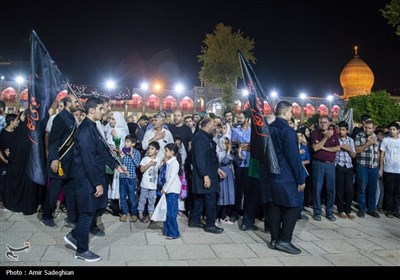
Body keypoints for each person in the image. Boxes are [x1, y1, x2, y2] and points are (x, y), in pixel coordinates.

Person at [64, 97, 126, 262]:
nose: (104, 111)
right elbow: (87, 160)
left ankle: (73, 236)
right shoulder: (85, 130)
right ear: (92, 110)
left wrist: (116, 165)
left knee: (94, 210)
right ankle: (81, 250)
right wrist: (96, 183)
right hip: (86, 178)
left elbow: (102, 150)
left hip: (94, 175)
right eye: (101, 108)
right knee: (87, 213)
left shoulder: (94, 127)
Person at [267, 101, 307, 254]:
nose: (292, 114)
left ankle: (274, 239)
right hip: (285, 173)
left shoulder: (269, 128)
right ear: (285, 112)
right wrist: (300, 178)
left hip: (270, 173)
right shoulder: (287, 130)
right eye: (291, 112)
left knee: (275, 205)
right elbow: (293, 157)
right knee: (294, 205)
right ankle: (284, 240)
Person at [41, 95, 80, 228]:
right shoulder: (60, 118)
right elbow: (54, 140)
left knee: (70, 191)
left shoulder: (72, 118)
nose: (77, 104)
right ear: (68, 103)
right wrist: (54, 159)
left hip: (70, 163)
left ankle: (72, 217)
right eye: (75, 101)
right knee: (54, 191)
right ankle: (47, 215)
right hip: (59, 161)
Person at [190, 118, 226, 234]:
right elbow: (200, 158)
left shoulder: (204, 137)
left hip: (208, 172)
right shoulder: (201, 138)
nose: (214, 127)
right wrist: (205, 175)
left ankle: (195, 220)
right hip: (205, 174)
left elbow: (209, 157)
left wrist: (216, 169)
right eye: (213, 125)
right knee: (210, 198)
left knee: (200, 198)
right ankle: (210, 224)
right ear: (207, 125)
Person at [310, 116, 340, 222]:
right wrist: (326, 138)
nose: (323, 124)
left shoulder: (334, 134)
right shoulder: (314, 133)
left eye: (325, 122)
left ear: (329, 123)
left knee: (331, 189)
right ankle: (317, 212)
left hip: (330, 165)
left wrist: (324, 148)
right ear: (319, 123)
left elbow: (337, 148)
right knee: (317, 189)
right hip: (318, 164)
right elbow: (315, 148)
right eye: (321, 122)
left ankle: (329, 212)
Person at [335, 121, 356, 219]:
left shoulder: (351, 140)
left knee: (349, 190)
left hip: (348, 166)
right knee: (340, 189)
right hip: (338, 165)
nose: (341, 131)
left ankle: (348, 210)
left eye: (343, 130)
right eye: (339, 129)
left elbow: (354, 155)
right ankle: (341, 210)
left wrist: (348, 149)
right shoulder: (335, 139)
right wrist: (339, 147)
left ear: (347, 131)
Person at [161, 143, 183, 239]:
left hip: (172, 190)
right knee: (167, 211)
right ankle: (167, 231)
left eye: (166, 151)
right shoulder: (169, 162)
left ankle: (174, 233)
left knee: (171, 213)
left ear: (172, 152)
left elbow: (171, 177)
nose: (165, 153)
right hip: (169, 189)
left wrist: (165, 189)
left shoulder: (175, 163)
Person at [119, 134, 141, 222]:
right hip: (122, 177)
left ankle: (134, 214)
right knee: (123, 196)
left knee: (132, 196)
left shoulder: (136, 152)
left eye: (128, 142)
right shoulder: (123, 151)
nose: (125, 143)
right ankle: (124, 213)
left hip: (131, 177)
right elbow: (119, 164)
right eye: (125, 141)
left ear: (133, 144)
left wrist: (132, 156)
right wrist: (121, 157)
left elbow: (137, 165)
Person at [138, 141, 161, 222]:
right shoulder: (145, 159)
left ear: (157, 151)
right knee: (142, 199)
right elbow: (141, 170)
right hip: (145, 184)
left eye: (152, 149)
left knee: (152, 200)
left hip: (153, 185)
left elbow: (159, 169)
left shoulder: (158, 160)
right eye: (149, 148)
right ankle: (140, 213)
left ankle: (150, 214)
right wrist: (149, 164)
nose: (149, 150)